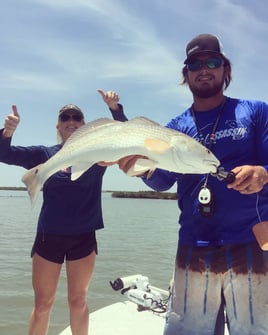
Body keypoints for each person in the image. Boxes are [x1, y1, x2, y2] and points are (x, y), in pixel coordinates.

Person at [117, 34, 268, 335]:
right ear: (185, 75)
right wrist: (140, 170)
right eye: (194, 64)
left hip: (252, 243)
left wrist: (264, 173)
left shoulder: (256, 111)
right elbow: (162, 181)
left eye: (212, 62)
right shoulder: (174, 128)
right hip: (194, 244)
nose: (204, 69)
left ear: (226, 69)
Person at [0, 89, 127, 335]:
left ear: (84, 125)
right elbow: (3, 154)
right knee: (43, 305)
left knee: (78, 302)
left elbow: (125, 138)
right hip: (50, 237)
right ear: (58, 124)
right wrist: (7, 132)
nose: (71, 121)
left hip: (83, 238)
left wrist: (115, 109)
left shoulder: (97, 154)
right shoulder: (44, 154)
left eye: (76, 118)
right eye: (66, 118)